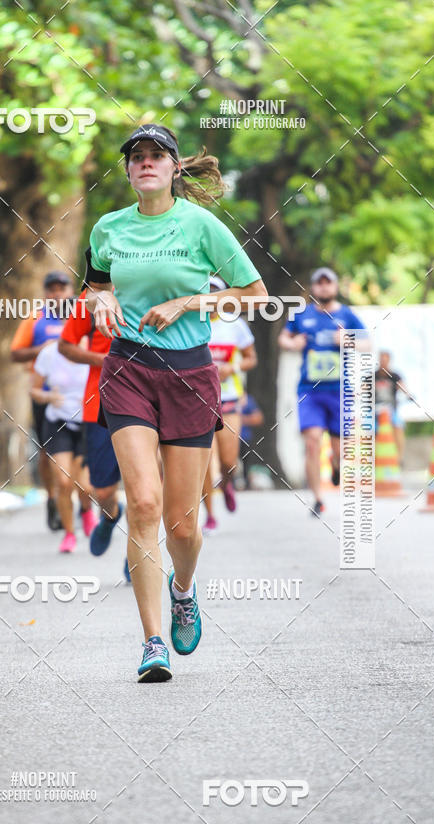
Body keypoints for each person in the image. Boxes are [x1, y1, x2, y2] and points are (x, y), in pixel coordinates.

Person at [83, 123, 267, 682]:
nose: (145, 162)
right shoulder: (109, 227)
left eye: (156, 155)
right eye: (136, 156)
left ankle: (182, 591)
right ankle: (152, 641)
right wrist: (100, 301)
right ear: (127, 169)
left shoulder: (201, 225)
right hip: (128, 369)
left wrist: (190, 302)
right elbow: (96, 284)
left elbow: (255, 297)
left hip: (189, 374)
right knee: (142, 504)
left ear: (173, 167)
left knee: (181, 525)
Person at [278, 266, 365, 516]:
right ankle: (317, 499)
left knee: (339, 450)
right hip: (309, 390)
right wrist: (292, 343)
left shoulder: (347, 315)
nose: (324, 287)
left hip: (339, 391)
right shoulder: (301, 315)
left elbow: (368, 343)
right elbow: (283, 338)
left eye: (328, 283)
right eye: (319, 283)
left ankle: (336, 465)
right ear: (313, 288)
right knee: (312, 441)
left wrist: (348, 340)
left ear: (335, 287)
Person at [58, 290, 131, 580]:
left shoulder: (156, 284)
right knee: (102, 491)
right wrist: (104, 359)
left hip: (150, 403)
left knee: (145, 492)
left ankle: (139, 554)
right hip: (99, 404)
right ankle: (111, 515)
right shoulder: (90, 298)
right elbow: (65, 346)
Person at [11, 271, 72, 530]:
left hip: (77, 396)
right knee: (48, 451)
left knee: (80, 452)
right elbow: (15, 354)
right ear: (45, 293)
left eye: (61, 289)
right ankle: (53, 497)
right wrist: (44, 348)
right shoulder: (35, 318)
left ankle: (75, 499)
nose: (56, 294)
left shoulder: (82, 317)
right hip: (44, 396)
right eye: (52, 289)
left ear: (70, 291)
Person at [31, 325, 97, 553]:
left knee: (86, 486)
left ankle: (86, 510)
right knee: (63, 481)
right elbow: (34, 390)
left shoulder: (93, 351)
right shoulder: (49, 354)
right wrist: (49, 396)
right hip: (57, 422)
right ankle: (69, 533)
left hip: (87, 423)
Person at [202, 275, 258, 533]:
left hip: (229, 398)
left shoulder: (235, 324)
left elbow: (251, 358)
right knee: (205, 461)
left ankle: (227, 484)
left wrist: (231, 368)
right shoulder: (190, 325)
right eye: (207, 292)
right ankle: (210, 515)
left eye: (217, 292)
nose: (212, 297)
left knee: (229, 461)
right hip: (198, 400)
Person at [375, 350, 408, 463]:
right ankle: (373, 459)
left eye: (385, 360)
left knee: (398, 426)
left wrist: (407, 394)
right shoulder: (373, 376)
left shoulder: (395, 376)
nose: (383, 362)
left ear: (389, 361)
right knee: (370, 430)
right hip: (374, 411)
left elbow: (403, 388)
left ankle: (400, 458)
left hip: (391, 410)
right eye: (381, 359)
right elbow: (363, 388)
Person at [238, 395, 264, 488]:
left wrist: (242, 419)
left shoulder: (248, 400)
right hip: (229, 438)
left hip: (245, 438)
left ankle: (247, 483)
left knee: (246, 462)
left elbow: (259, 418)